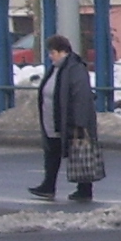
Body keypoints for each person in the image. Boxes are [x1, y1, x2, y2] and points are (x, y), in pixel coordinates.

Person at [30, 34, 98, 203]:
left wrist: (79, 123)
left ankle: (84, 189)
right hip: (53, 120)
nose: (50, 56)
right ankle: (48, 186)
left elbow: (81, 96)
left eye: (52, 52)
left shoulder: (74, 68)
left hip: (70, 121)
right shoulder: (56, 68)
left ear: (63, 52)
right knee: (52, 152)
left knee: (79, 154)